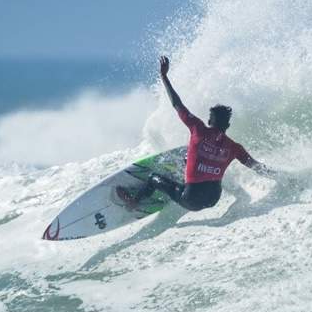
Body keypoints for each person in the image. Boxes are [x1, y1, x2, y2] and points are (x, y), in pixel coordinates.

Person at [117, 55, 272, 212]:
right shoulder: (234, 147)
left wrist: (164, 76)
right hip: (214, 198)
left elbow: (177, 104)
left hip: (191, 200)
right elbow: (255, 166)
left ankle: (133, 202)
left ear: (210, 122)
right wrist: (282, 177)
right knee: (187, 157)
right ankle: (184, 177)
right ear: (228, 125)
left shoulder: (198, 129)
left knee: (152, 178)